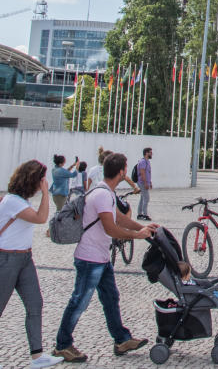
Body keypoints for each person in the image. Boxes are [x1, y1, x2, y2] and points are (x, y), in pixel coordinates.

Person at [53, 153, 157, 363]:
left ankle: (121, 339)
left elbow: (118, 218)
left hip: (100, 258)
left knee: (111, 298)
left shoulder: (105, 193)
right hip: (90, 259)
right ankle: (62, 345)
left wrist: (143, 227)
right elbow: (111, 228)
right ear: (121, 172)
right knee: (79, 302)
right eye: (125, 169)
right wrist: (137, 235)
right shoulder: (102, 194)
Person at [0, 159, 64, 369]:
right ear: (32, 180)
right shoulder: (13, 201)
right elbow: (41, 218)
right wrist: (47, 193)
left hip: (24, 259)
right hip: (4, 261)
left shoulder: (20, 201)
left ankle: (37, 356)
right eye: (41, 179)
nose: (42, 183)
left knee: (35, 304)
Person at [136, 148, 153, 221]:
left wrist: (150, 182)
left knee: (142, 198)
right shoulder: (143, 162)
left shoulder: (147, 161)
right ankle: (145, 215)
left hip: (145, 182)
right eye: (150, 152)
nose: (152, 154)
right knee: (146, 198)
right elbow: (142, 173)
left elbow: (148, 173)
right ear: (146, 153)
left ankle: (139, 214)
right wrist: (146, 183)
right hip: (142, 183)